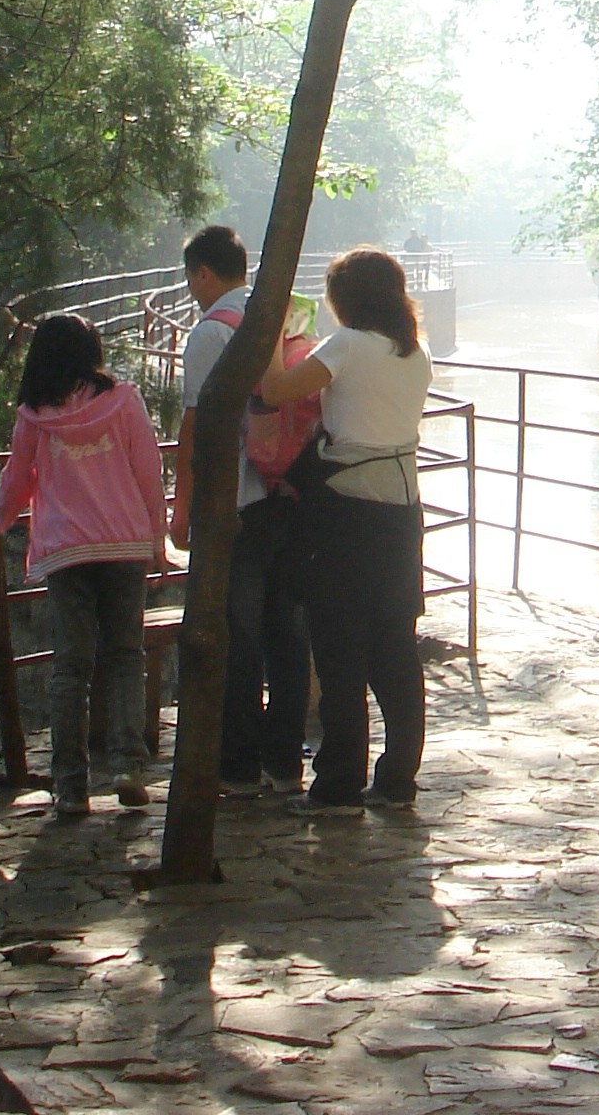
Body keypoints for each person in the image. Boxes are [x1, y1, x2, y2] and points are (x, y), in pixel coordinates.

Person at [260, 245, 430, 816]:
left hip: (345, 512)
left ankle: (337, 784)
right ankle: (398, 779)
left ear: (345, 299)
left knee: (339, 650)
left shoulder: (348, 345)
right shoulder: (416, 353)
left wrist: (273, 337)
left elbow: (276, 391)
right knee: (395, 652)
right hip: (402, 512)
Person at [0, 314, 165, 815]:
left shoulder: (34, 415)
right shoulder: (124, 400)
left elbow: (17, 480)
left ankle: (69, 783)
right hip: (124, 544)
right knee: (125, 655)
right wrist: (157, 537)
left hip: (66, 551)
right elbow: (148, 469)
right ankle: (128, 765)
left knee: (71, 666)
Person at [182, 225, 311, 797]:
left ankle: (235, 763)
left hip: (236, 498)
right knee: (286, 630)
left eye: (191, 279)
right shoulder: (283, 318)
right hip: (288, 490)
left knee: (236, 636)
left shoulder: (212, 333)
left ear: (204, 273)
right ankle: (283, 762)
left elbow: (194, 429)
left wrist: (181, 508)